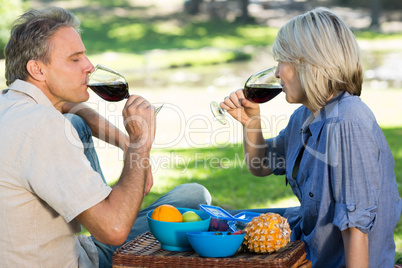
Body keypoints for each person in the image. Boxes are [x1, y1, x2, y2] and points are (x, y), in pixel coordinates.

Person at [0, 7, 211, 268]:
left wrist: (122, 142)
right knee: (193, 197)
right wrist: (138, 144)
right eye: (75, 59)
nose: (89, 66)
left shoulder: (10, 104)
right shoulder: (45, 127)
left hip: (43, 250)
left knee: (76, 120)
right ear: (38, 70)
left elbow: (68, 107)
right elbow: (114, 230)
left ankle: (104, 202)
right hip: (84, 259)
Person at [220, 7, 402, 267]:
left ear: (308, 63)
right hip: (308, 248)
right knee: (221, 222)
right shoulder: (305, 116)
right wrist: (251, 123)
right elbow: (260, 165)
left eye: (282, 61)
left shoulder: (348, 121)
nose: (276, 73)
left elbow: (356, 230)